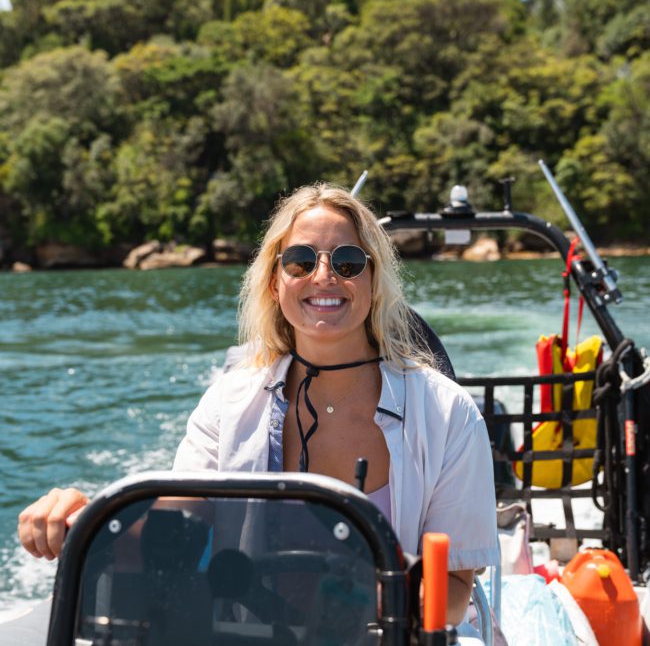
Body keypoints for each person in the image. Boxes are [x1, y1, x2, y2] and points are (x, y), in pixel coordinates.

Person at [17, 183, 498, 632]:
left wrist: (366, 600)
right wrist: (83, 516)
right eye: (300, 261)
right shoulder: (229, 403)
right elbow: (169, 521)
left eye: (349, 261)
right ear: (274, 282)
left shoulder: (446, 413)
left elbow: (454, 591)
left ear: (374, 279)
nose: (324, 275)